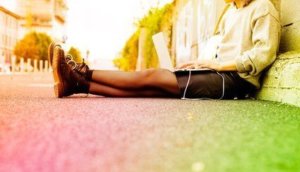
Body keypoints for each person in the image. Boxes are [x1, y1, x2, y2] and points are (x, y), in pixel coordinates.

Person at [49, 0, 280, 99]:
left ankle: (81, 73)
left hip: (236, 80)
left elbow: (264, 53)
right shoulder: (230, 13)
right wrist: (200, 62)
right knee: (150, 89)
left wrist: (218, 65)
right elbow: (219, 50)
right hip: (219, 73)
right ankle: (77, 84)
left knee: (153, 77)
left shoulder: (263, 8)